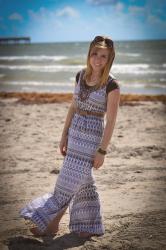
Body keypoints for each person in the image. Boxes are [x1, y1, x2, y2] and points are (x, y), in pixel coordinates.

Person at [19, 35, 120, 238]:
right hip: (74, 134)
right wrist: (64, 134)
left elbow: (110, 121)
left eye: (103, 56)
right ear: (89, 54)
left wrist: (102, 150)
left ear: (109, 59)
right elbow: (73, 106)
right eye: (94, 54)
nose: (98, 59)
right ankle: (86, 226)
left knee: (67, 182)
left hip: (92, 139)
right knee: (82, 182)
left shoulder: (112, 85)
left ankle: (51, 224)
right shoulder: (80, 76)